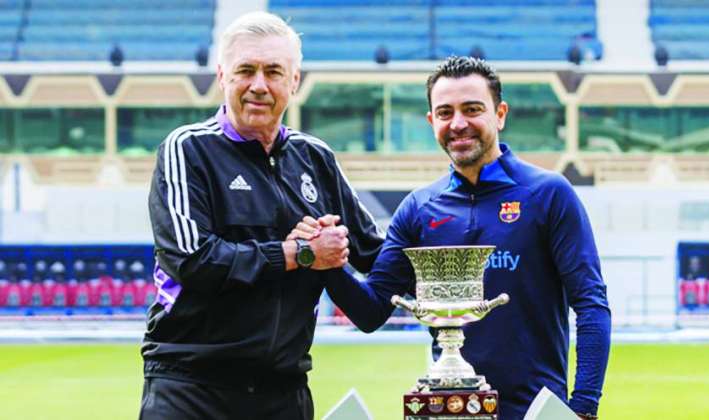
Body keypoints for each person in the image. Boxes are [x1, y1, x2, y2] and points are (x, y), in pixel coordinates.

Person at [297, 56, 611, 419]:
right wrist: (325, 262)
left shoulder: (549, 194)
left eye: (472, 109)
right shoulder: (418, 208)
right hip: (447, 411)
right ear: (432, 122)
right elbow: (371, 312)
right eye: (445, 113)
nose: (458, 124)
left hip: (536, 412)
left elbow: (591, 304)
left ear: (500, 114)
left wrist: (583, 407)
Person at [139, 11, 383, 420]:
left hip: (284, 392)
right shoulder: (187, 149)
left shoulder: (315, 158)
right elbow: (193, 261)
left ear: (294, 81)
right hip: (191, 388)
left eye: (273, 72)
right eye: (245, 71)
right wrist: (300, 253)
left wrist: (437, 248)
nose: (258, 85)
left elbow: (373, 252)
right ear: (223, 77)